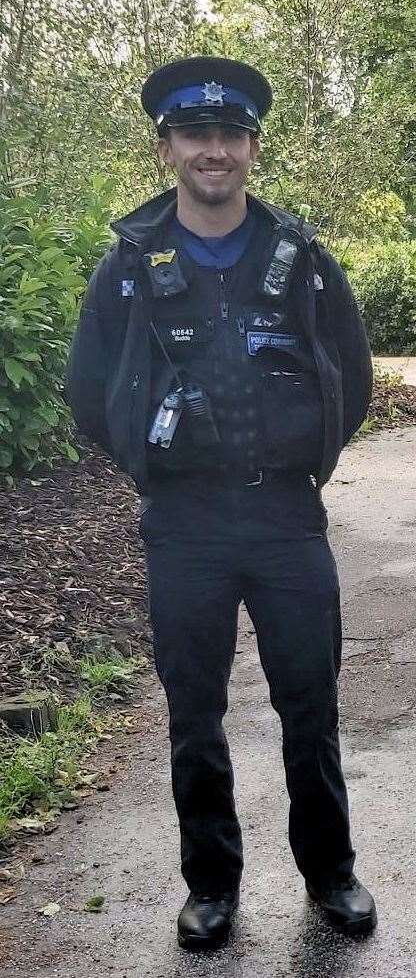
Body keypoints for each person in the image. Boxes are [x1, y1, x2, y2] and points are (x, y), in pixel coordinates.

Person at [64, 57, 375, 949]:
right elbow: (90, 390)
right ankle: (211, 885)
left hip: (285, 518)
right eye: (195, 136)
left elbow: (349, 378)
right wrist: (149, 464)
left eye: (229, 136)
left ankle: (331, 875)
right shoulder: (127, 267)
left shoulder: (303, 259)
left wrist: (303, 460)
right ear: (166, 148)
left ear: (251, 148)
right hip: (185, 527)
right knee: (193, 712)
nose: (214, 151)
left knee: (310, 705)